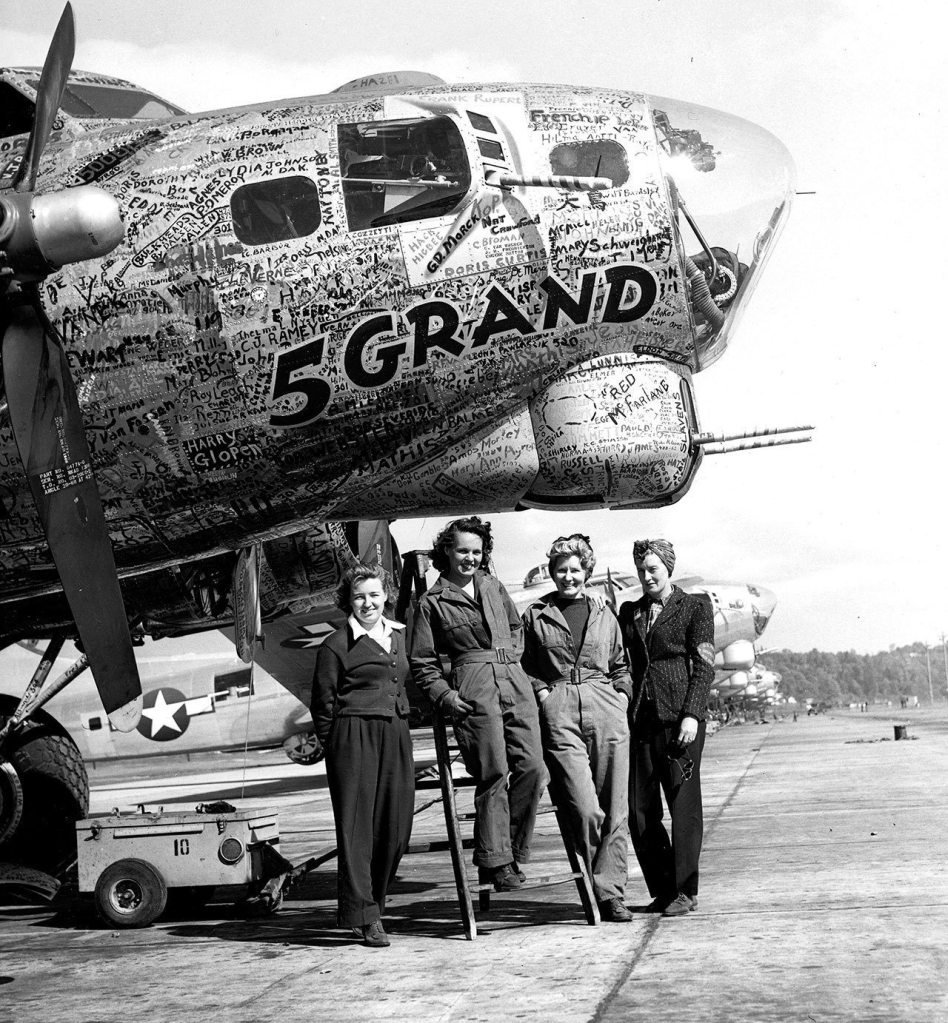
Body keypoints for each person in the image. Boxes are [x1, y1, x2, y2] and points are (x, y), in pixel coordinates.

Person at [410, 516, 545, 892]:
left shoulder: (493, 586)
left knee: (533, 767)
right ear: (447, 552)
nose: (470, 558)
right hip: (474, 687)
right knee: (493, 772)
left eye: (476, 551)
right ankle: (496, 861)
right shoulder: (431, 602)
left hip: (513, 681)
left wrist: (512, 658)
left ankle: (509, 852)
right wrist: (446, 696)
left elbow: (516, 628)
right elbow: (422, 661)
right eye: (462, 551)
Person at [521, 534, 634, 923]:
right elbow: (524, 664)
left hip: (606, 706)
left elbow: (621, 663)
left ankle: (609, 893)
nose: (568, 577)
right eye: (560, 570)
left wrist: (620, 695)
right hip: (560, 708)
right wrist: (542, 694)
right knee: (584, 806)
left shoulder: (605, 612)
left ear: (586, 571)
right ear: (552, 573)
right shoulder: (536, 615)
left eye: (575, 570)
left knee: (616, 805)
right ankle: (601, 883)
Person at [311, 564, 414, 947]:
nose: (367, 603)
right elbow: (322, 704)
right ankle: (364, 915)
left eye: (373, 594)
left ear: (385, 595)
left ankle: (372, 904)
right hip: (352, 737)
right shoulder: (336, 645)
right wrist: (335, 746)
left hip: (396, 732)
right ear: (347, 602)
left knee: (397, 827)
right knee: (356, 831)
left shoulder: (400, 638)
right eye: (358, 596)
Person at [619, 539, 715, 918]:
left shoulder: (694, 608)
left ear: (668, 568)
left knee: (683, 806)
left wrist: (691, 714)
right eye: (642, 570)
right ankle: (662, 889)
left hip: (681, 722)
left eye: (653, 568)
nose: (647, 576)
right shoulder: (630, 612)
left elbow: (704, 665)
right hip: (642, 720)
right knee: (640, 812)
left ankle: (685, 891)